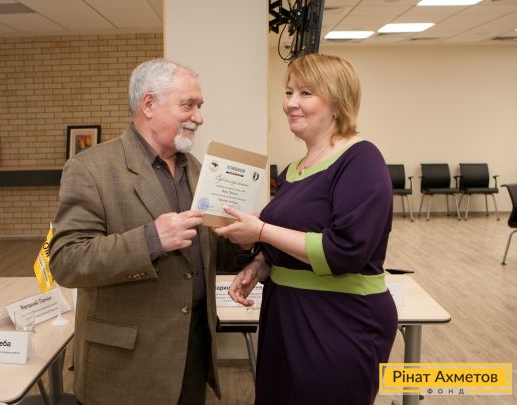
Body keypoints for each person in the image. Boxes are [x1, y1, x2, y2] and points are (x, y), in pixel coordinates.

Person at [50, 59, 240, 405]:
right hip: (126, 364)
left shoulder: (197, 170)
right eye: (188, 105)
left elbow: (207, 254)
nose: (199, 117)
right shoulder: (91, 168)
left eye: (199, 106)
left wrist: (242, 240)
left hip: (192, 351)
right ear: (149, 104)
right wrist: (151, 240)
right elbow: (67, 261)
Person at [214, 53, 398, 404]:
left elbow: (345, 251)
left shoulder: (361, 159)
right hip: (285, 315)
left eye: (306, 93)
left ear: (338, 102)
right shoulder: (294, 169)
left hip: (340, 320)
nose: (291, 103)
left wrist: (261, 232)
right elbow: (289, 241)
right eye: (288, 92)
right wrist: (260, 265)